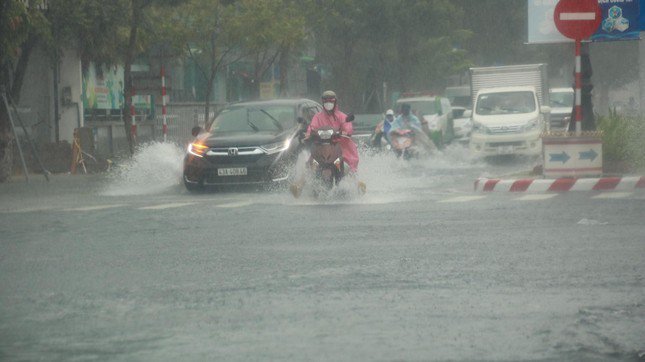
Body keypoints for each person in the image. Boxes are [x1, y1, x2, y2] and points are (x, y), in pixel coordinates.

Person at [290, 90, 365, 197]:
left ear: (335, 102)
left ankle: (358, 184)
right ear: (322, 102)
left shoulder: (342, 116)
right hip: (321, 148)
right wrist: (308, 134)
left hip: (340, 147)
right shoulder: (317, 117)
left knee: (348, 165)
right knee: (310, 164)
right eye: (326, 101)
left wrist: (345, 132)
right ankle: (299, 186)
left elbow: (347, 127)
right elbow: (312, 127)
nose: (328, 103)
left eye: (331, 101)